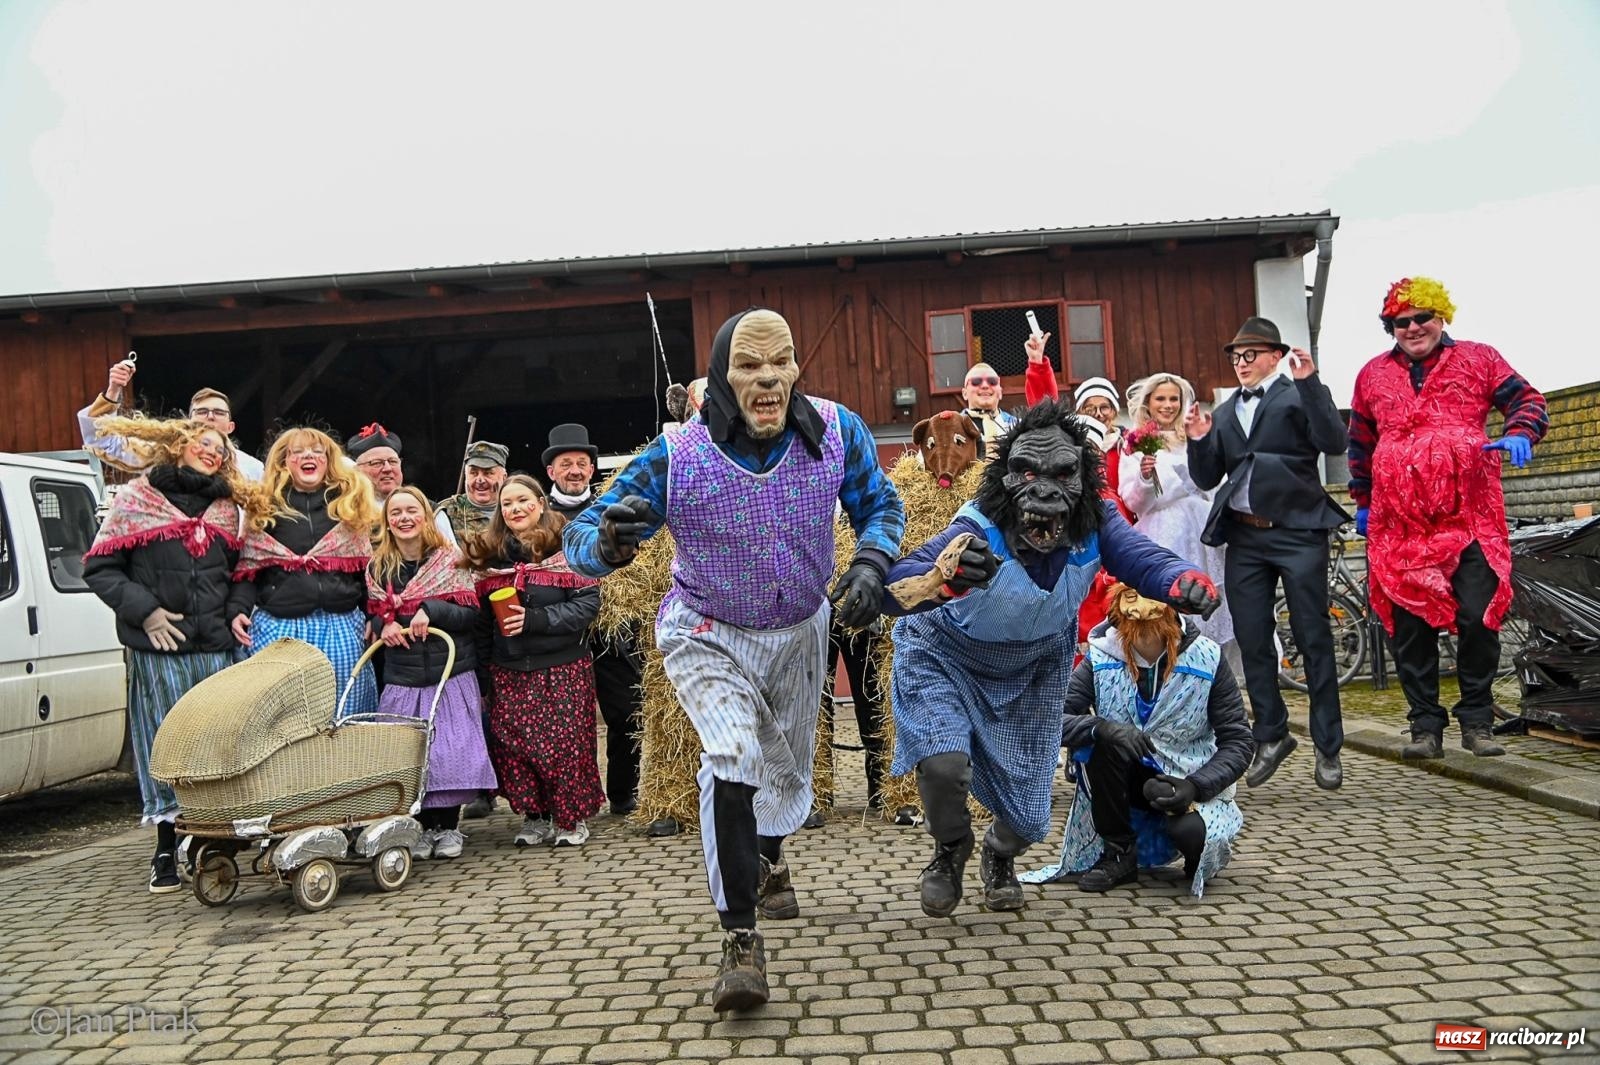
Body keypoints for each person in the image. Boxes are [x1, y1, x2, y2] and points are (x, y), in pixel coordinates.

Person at [564, 308, 904, 1013]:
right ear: (722, 375)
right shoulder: (679, 453)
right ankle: (739, 938)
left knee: (784, 769)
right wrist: (610, 544)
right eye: (749, 365)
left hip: (800, 627)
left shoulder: (837, 433)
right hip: (707, 629)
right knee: (734, 754)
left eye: (780, 361)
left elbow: (882, 505)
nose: (769, 378)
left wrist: (872, 561)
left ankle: (772, 857)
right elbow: (582, 535)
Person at [883, 400, 1218, 917]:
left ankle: (999, 855)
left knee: (1028, 815)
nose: (1042, 491)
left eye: (1061, 476)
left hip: (1033, 669)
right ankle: (950, 850)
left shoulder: (1097, 522)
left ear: (1083, 481)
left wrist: (1180, 581)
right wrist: (898, 583)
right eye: (1026, 474)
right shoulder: (980, 522)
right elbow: (914, 573)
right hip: (945, 654)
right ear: (1005, 479)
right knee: (944, 763)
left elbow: (1140, 555)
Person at [1348, 277, 1548, 760]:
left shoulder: (1479, 359)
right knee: (1410, 624)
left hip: (1470, 516)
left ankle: (1477, 721)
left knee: (1478, 616)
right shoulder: (1372, 374)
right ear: (1391, 327)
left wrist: (1521, 430)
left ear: (1442, 318)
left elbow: (1528, 400)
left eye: (1423, 318)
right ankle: (1424, 727)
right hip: (1400, 524)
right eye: (1402, 322)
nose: (1414, 328)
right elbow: (1359, 440)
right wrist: (1363, 499)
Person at [82, 417, 271, 892]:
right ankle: (166, 844)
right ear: (179, 446)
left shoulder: (227, 508)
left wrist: (235, 611)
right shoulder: (137, 499)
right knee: (163, 742)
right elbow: (100, 568)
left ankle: (212, 840)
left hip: (214, 647)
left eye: (221, 449)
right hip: (161, 647)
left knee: (216, 743)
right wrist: (144, 611)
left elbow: (242, 572)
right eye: (205, 443)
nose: (213, 452)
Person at [1185, 317, 1350, 790]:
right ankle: (1272, 735)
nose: (1241, 364)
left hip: (1298, 532)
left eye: (1250, 355)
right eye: (1235, 357)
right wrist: (1199, 437)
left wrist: (1311, 382)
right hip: (1246, 539)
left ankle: (1328, 745)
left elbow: (1333, 441)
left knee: (1312, 637)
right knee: (1253, 638)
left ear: (1275, 356)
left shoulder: (1297, 393)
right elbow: (1206, 476)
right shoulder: (1227, 409)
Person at [1025, 585, 1252, 896]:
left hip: (1188, 781)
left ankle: (1195, 853)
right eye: (1131, 597)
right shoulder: (1101, 657)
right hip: (1121, 784)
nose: (1143, 610)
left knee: (1189, 833)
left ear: (1173, 608)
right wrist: (1101, 728)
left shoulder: (1208, 658)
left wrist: (1196, 786)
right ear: (1118, 609)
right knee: (1102, 742)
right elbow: (1050, 722)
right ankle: (1118, 853)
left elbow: (1239, 740)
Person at [464, 474, 604, 849]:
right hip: (509, 669)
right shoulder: (491, 557)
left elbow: (587, 605)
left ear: (540, 503)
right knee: (516, 746)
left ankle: (570, 819)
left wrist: (536, 620)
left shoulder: (565, 549)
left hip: (562, 665)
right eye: (507, 504)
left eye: (523, 500)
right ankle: (535, 816)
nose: (516, 509)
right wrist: (483, 675)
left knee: (564, 745)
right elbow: (480, 625)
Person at [367, 487, 498, 859]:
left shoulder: (448, 559)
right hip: (404, 675)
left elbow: (470, 613)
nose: (404, 518)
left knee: (449, 750)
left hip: (449, 671)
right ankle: (422, 828)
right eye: (396, 513)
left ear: (425, 515)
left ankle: (449, 826)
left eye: (412, 510)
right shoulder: (378, 567)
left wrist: (432, 609)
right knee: (410, 752)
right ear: (387, 522)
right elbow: (375, 609)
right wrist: (385, 622)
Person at [229, 427, 379, 716]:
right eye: (297, 452)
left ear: (328, 460)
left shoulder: (348, 508)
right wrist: (237, 609)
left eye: (316, 451)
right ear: (285, 462)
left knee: (345, 711)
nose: (308, 456)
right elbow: (250, 570)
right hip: (282, 628)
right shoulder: (265, 510)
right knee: (284, 716)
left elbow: (365, 573)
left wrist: (373, 613)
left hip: (341, 626)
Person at [543, 422, 645, 817]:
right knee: (562, 721)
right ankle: (569, 798)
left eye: (581, 463)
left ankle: (622, 792)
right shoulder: (536, 511)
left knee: (624, 712)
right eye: (565, 463)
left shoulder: (610, 506)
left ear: (591, 469)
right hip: (558, 630)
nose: (574, 470)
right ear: (551, 471)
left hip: (613, 631)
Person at [1121, 373, 1241, 679]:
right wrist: (1147, 477)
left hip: (1201, 530)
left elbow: (1214, 483)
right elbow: (1135, 501)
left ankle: (1212, 677)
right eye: (1160, 398)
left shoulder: (1194, 435)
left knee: (1211, 601)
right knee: (1167, 606)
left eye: (1173, 398)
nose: (1168, 405)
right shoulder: (1135, 441)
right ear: (1148, 402)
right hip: (1163, 533)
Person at [1022, 335, 1131, 651]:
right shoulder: (1065, 460)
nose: (1098, 413)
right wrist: (1038, 364)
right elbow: (1045, 411)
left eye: (1105, 406)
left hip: (1116, 540)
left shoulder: (1127, 446)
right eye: (1090, 407)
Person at [79, 358, 264, 480]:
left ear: (230, 426)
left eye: (218, 412)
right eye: (201, 411)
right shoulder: (163, 454)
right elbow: (101, 440)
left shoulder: (252, 469)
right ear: (188, 421)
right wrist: (113, 390)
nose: (209, 416)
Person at [434, 441, 509, 545]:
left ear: (504, 478)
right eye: (473, 473)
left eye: (488, 473)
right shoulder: (446, 512)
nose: (480, 480)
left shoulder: (516, 509)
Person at [959, 362, 1018, 459]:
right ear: (964, 393)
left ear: (1000, 392)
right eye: (976, 381)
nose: (985, 386)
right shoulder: (952, 428)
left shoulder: (1017, 426)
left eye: (992, 381)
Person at [347, 423, 405, 506]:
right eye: (376, 463)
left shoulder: (423, 507)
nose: (387, 468)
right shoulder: (345, 511)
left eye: (393, 461)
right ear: (357, 470)